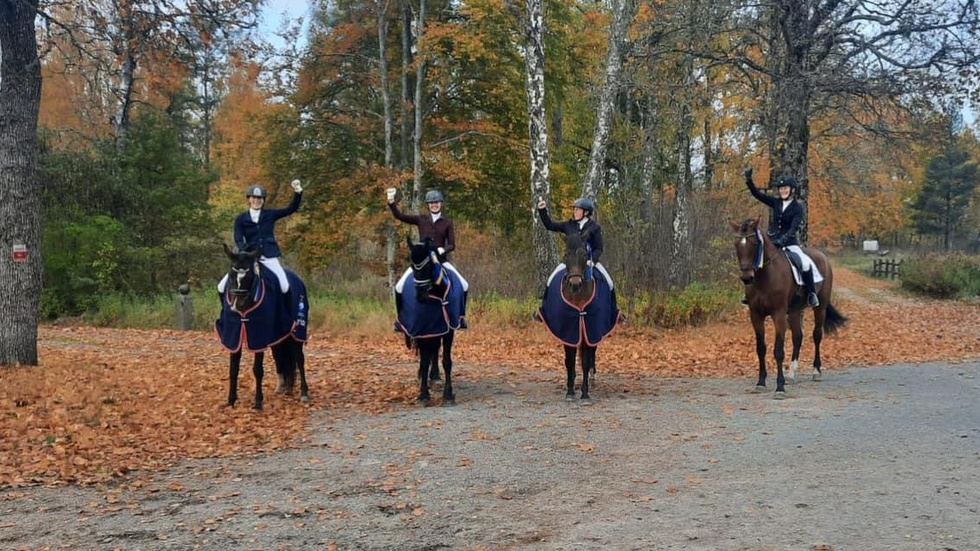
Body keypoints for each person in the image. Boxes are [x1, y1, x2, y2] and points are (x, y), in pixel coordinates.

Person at [387, 188, 469, 328]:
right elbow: (399, 216)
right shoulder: (421, 219)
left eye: (436, 202)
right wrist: (391, 202)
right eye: (431, 203)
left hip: (441, 261)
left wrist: (443, 249)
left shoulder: (447, 223)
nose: (434, 205)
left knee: (464, 284)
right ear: (428, 205)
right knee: (399, 286)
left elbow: (452, 245)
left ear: (441, 203)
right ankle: (401, 320)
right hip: (423, 263)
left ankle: (461, 318)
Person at [744, 168, 820, 307]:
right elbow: (758, 195)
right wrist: (749, 181)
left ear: (792, 190)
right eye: (781, 189)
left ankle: (811, 294)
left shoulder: (798, 208)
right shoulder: (776, 202)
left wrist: (783, 240)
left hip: (790, 243)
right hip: (772, 241)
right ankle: (750, 293)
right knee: (755, 259)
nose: (782, 191)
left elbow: (794, 228)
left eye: (785, 188)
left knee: (805, 263)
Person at [219, 179, 303, 297]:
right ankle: (225, 314)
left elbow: (291, 209)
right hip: (249, 258)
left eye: (259, 198)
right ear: (249, 199)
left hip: (269, 256)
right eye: (254, 198)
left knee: (284, 286)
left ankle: (286, 315)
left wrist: (298, 192)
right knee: (221, 287)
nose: (256, 201)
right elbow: (238, 237)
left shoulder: (270, 215)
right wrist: (243, 249)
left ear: (263, 201)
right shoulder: (241, 219)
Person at [535, 196, 616, 312]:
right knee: (550, 280)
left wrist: (592, 261)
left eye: (577, 209)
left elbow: (599, 248)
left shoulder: (594, 228)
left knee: (610, 282)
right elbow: (550, 225)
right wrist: (542, 211)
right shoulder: (569, 225)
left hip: (589, 261)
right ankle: (543, 310)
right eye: (575, 209)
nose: (575, 212)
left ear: (586, 212)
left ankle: (614, 312)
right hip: (570, 262)